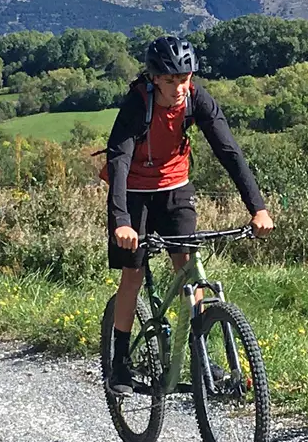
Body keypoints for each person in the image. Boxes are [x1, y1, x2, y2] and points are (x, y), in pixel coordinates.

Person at [105, 36, 274, 394]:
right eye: (170, 81)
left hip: (175, 188)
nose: (180, 87)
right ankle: (119, 362)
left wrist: (257, 208)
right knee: (132, 276)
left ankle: (198, 356)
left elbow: (229, 152)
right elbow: (117, 162)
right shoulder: (137, 105)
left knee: (190, 273)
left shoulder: (197, 98)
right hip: (134, 193)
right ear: (154, 79)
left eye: (184, 78)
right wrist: (121, 220)